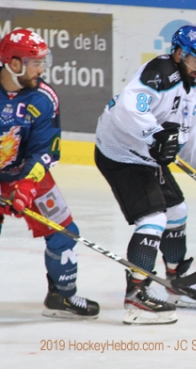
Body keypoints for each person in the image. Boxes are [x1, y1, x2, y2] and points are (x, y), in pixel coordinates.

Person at [94, 25, 196, 325]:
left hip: (148, 157)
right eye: (195, 60)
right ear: (179, 54)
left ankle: (175, 278)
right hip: (121, 153)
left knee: (177, 210)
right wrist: (155, 135)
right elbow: (127, 110)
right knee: (154, 218)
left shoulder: (195, 90)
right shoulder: (158, 73)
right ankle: (136, 294)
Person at [0, 29, 99, 319]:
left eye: (44, 61)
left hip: (25, 174)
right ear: (14, 63)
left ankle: (61, 296)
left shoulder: (44, 97)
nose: (42, 69)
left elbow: (46, 150)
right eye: (36, 62)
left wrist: (28, 185)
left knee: (64, 233)